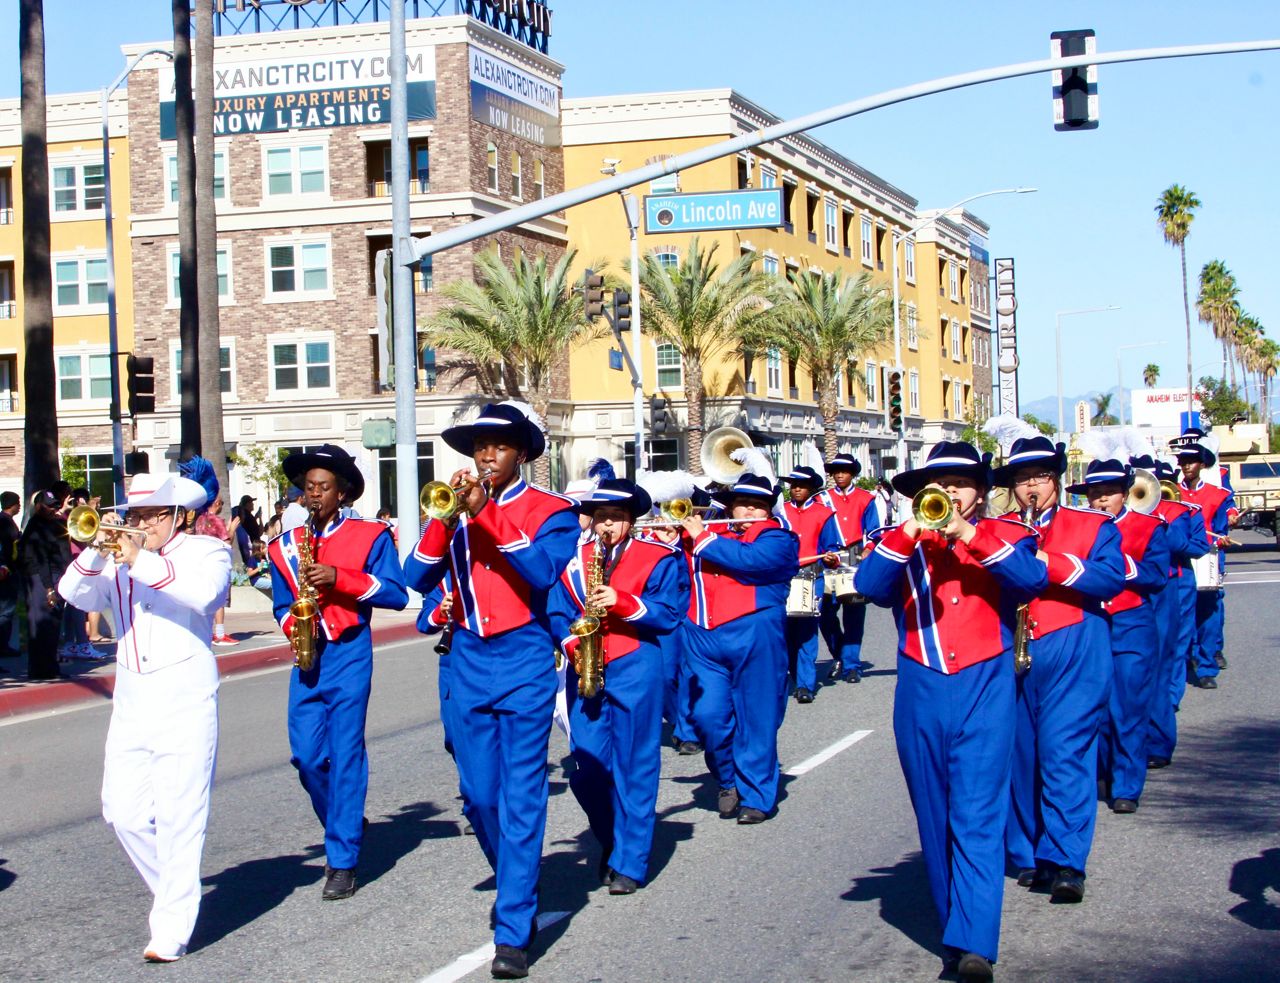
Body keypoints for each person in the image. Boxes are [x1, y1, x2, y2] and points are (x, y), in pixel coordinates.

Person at [856, 442, 1046, 983]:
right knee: (935, 814)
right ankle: (953, 926)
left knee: (978, 815)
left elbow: (1032, 582)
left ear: (981, 492)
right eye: (937, 485)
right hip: (920, 683)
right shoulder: (899, 543)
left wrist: (969, 535)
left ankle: (975, 944)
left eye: (961, 483)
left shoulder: (1006, 535)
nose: (949, 493)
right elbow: (870, 587)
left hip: (985, 682)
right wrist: (908, 532)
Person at [403, 402, 578, 980]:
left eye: (499, 446)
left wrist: (487, 518)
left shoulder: (551, 511)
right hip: (468, 661)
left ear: (522, 453)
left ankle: (513, 924)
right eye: (479, 446)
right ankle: (519, 880)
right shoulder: (452, 509)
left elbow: (543, 572)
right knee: (479, 795)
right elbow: (414, 577)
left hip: (525, 657)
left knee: (522, 793)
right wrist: (444, 519)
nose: (485, 455)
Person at [57, 471, 232, 963]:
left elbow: (204, 596)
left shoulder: (205, 552)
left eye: (149, 515)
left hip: (185, 696)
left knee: (180, 814)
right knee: (123, 811)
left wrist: (139, 558)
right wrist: (97, 545)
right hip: (132, 699)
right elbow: (75, 593)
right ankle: (178, 892)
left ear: (177, 515)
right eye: (134, 515)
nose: (140, 523)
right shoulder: (118, 557)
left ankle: (172, 927)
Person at [267, 444, 408, 902]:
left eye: (323, 488)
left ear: (342, 492)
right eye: (308, 488)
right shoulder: (283, 545)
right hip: (307, 656)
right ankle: (343, 821)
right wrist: (296, 625)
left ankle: (342, 859)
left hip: (349, 653)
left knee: (346, 753)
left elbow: (395, 593)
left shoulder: (371, 535)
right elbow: (281, 604)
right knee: (306, 757)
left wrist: (339, 578)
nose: (314, 495)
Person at [995, 435, 1125, 903]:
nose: (1031, 487)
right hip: (1015, 646)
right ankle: (1032, 854)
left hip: (1075, 643)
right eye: (1022, 479)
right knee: (1021, 754)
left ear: (1056, 480)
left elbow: (1112, 577)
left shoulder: (1092, 524)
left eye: (1040, 477)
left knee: (1064, 751)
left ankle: (1067, 860)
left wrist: (1049, 561)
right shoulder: (999, 528)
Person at [549, 478, 685, 896]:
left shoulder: (659, 557)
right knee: (587, 767)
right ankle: (611, 835)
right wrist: (571, 641)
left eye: (616, 519)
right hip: (584, 664)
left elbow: (669, 614)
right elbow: (555, 609)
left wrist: (624, 602)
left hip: (635, 662)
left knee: (635, 762)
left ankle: (631, 860)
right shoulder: (574, 558)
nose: (606, 527)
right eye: (601, 518)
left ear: (631, 520)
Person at [676, 472, 798, 825]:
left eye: (757, 505)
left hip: (756, 634)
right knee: (707, 717)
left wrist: (699, 536)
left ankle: (757, 795)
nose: (747, 511)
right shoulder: (708, 533)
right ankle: (728, 779)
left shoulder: (780, 538)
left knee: (757, 717)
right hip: (703, 636)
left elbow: (748, 561)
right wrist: (673, 537)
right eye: (741, 503)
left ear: (768, 511)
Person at [1068, 460, 1169, 814]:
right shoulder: (1079, 526)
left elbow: (1157, 575)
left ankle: (1127, 783)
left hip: (1131, 623)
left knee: (1128, 705)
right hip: (1091, 621)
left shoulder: (1147, 525)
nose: (1099, 500)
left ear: (1124, 494)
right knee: (1094, 705)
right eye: (1094, 494)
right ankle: (1103, 771)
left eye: (1107, 493)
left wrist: (1117, 565)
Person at [1143, 459, 1208, 768]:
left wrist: (1167, 532)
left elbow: (1199, 547)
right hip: (1141, 587)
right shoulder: (1132, 510)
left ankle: (1168, 702)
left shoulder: (1186, 512)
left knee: (1172, 650)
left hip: (1176, 584)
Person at [1175, 433, 1237, 688]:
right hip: (1181, 560)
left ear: (1201, 464)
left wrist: (1222, 539)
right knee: (1182, 614)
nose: (1186, 466)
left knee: (1209, 613)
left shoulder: (1217, 494)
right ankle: (1188, 658)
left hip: (1209, 558)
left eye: (1191, 461)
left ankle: (1208, 666)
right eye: (1183, 461)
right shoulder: (1171, 491)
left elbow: (1222, 529)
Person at [817, 454, 881, 682]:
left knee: (854, 612)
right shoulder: (821, 499)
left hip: (855, 553)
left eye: (844, 471)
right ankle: (840, 654)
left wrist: (868, 549)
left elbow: (875, 531)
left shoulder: (866, 498)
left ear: (853, 473)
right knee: (825, 611)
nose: (839, 475)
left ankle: (851, 665)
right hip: (828, 555)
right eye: (836, 471)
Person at [780, 466, 841, 704]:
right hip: (783, 578)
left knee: (806, 632)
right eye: (793, 485)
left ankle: (806, 684)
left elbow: (832, 549)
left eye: (801, 486)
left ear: (811, 489)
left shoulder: (824, 514)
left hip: (811, 577)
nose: (796, 489)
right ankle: (795, 676)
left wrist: (830, 558)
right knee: (786, 633)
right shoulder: (780, 512)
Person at [18, 489, 72, 680]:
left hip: (54, 576)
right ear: (39, 506)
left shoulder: (52, 524)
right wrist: (49, 588)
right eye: (49, 506)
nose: (52, 509)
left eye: (55, 505)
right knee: (42, 624)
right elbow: (40, 560)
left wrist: (63, 511)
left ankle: (50, 666)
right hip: (41, 579)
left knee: (53, 624)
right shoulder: (36, 526)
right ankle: (41, 669)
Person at [0, 490, 21, 662]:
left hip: (10, 570)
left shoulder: (7, 521)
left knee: (7, 611)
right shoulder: (4, 523)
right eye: (18, 503)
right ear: (12, 504)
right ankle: (2, 646)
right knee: (5, 611)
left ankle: (4, 644)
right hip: (6, 573)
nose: (20, 506)